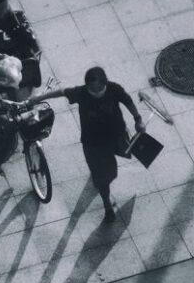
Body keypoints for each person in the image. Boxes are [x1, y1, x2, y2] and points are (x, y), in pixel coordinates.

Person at [24, 67, 144, 222]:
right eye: (92, 88)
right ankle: (108, 206)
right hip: (93, 143)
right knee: (104, 178)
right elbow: (61, 92)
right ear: (87, 86)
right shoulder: (81, 93)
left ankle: (100, 177)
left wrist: (138, 119)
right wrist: (37, 99)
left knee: (121, 157)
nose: (95, 91)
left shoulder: (114, 89)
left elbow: (128, 102)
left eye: (99, 88)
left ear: (104, 83)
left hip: (117, 135)